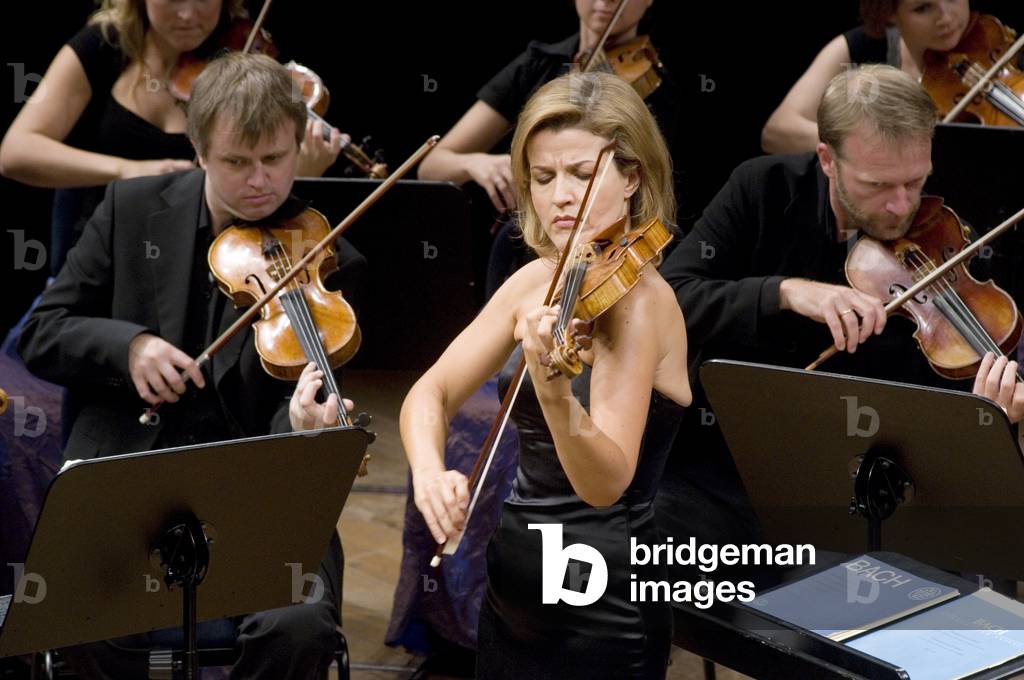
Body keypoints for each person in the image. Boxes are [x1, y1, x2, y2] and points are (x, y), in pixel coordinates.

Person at [18, 52, 362, 680]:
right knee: (73, 619)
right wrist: (128, 347)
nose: (260, 181)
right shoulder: (130, 211)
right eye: (236, 162)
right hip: (131, 479)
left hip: (258, 493)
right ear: (200, 150)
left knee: (300, 626)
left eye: (276, 159)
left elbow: (318, 405)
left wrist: (304, 429)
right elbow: (43, 333)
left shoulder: (322, 250)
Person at [657, 64, 1024, 585]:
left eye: (915, 181)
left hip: (878, 485)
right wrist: (782, 292)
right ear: (827, 159)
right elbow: (671, 295)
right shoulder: (761, 189)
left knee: (972, 560)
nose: (902, 205)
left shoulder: (945, 238)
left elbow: (941, 420)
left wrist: (987, 416)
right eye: (878, 185)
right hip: (736, 470)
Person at [401, 71, 691, 679]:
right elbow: (430, 391)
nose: (562, 195)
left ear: (633, 177)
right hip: (515, 585)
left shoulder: (640, 303)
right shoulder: (537, 282)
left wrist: (556, 396)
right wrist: (430, 473)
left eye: (583, 176)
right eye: (543, 177)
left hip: (600, 596)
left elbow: (605, 483)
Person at [0, 0, 342, 275]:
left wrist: (302, 173)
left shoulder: (242, 57)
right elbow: (15, 153)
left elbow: (255, 188)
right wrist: (126, 170)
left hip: (198, 267)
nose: (187, 14)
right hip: (99, 260)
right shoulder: (102, 46)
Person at [416, 0, 683, 297]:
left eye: (581, 174)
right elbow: (432, 165)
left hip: (609, 258)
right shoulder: (538, 64)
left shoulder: (655, 86)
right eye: (544, 178)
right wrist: (476, 164)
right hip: (528, 244)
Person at [761, 0, 977, 154]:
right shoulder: (860, 51)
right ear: (891, 12)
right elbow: (778, 133)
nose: (946, 18)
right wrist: (868, 144)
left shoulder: (997, 45)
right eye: (922, 8)